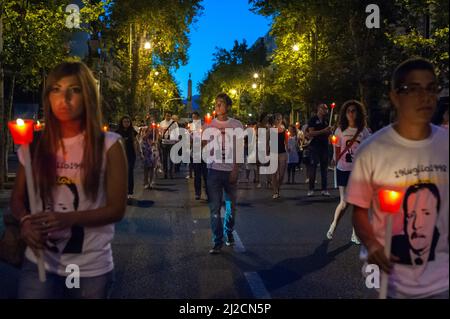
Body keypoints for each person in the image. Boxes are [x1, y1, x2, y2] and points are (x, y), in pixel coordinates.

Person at [10, 61, 127, 299]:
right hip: (40, 263)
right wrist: (24, 222)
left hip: (88, 269)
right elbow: (17, 199)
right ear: (48, 96)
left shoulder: (109, 146)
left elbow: (116, 209)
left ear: (88, 96)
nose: (64, 98)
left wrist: (68, 218)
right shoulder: (34, 145)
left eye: (74, 89)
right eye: (56, 89)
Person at [347, 57, 448, 298]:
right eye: (413, 89)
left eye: (431, 88)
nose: (426, 97)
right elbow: (359, 211)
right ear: (394, 97)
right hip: (394, 281)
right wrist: (372, 244)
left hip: (442, 280)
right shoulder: (372, 150)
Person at [325, 100, 371, 244]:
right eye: (348, 111)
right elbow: (337, 148)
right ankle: (333, 225)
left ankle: (354, 234)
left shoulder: (364, 130)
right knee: (344, 203)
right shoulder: (340, 130)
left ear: (358, 113)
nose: (351, 113)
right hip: (343, 168)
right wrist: (334, 159)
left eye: (354, 111)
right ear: (345, 114)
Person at [205, 93, 243, 254]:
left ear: (228, 106)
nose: (217, 105)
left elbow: (240, 149)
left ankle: (229, 230)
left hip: (230, 172)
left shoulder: (236, 125)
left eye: (221, 103)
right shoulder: (209, 125)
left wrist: (235, 169)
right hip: (213, 171)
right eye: (216, 103)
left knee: (230, 207)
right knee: (214, 209)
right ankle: (217, 241)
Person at [306, 104, 333, 196]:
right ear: (319, 109)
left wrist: (330, 132)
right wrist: (324, 131)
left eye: (326, 109)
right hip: (314, 146)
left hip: (324, 146)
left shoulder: (326, 120)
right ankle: (311, 189)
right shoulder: (313, 119)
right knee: (313, 167)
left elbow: (328, 133)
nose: (325, 110)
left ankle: (324, 189)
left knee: (324, 168)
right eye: (324, 108)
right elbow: (311, 133)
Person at [116, 115, 139, 199]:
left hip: (131, 155)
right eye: (125, 122)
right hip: (121, 155)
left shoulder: (132, 131)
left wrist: (138, 152)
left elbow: (135, 142)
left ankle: (130, 193)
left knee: (130, 173)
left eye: (128, 122)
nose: (126, 123)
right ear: (122, 123)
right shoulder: (117, 132)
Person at [271, 113, 287, 199]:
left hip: (282, 152)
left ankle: (278, 186)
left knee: (281, 173)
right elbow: (269, 141)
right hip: (274, 152)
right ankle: (275, 191)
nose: (278, 120)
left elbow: (286, 141)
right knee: (274, 172)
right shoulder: (272, 129)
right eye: (276, 119)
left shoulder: (284, 129)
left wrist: (289, 148)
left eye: (279, 119)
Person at [159, 111, 178, 179]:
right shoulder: (162, 123)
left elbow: (177, 132)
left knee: (171, 159)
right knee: (164, 159)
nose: (168, 117)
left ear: (171, 116)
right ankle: (165, 173)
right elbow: (159, 131)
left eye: (169, 115)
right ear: (165, 116)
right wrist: (160, 137)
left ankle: (171, 173)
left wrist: (176, 141)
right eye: (167, 115)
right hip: (164, 142)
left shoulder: (174, 123)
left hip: (172, 143)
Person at [140, 117, 158, 189]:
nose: (151, 122)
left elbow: (157, 138)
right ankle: (145, 182)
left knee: (152, 166)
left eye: (152, 121)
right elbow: (143, 138)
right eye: (150, 121)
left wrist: (155, 142)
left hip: (153, 149)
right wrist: (148, 131)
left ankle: (151, 182)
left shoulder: (155, 129)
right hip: (146, 149)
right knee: (146, 167)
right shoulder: (144, 129)